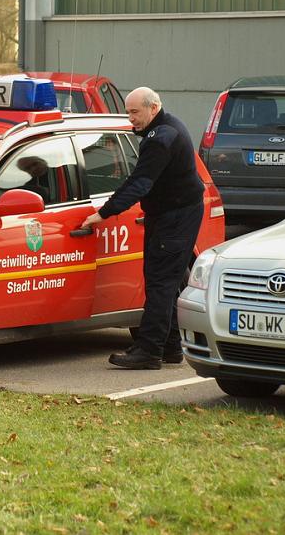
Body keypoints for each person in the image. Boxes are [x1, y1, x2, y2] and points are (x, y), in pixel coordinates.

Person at [79, 86, 204, 370]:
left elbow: (139, 183)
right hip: (174, 212)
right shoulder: (165, 128)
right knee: (168, 282)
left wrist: (104, 212)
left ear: (153, 107)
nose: (130, 118)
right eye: (128, 111)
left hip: (174, 217)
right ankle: (170, 346)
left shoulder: (161, 139)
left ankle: (149, 351)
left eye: (135, 112)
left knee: (160, 282)